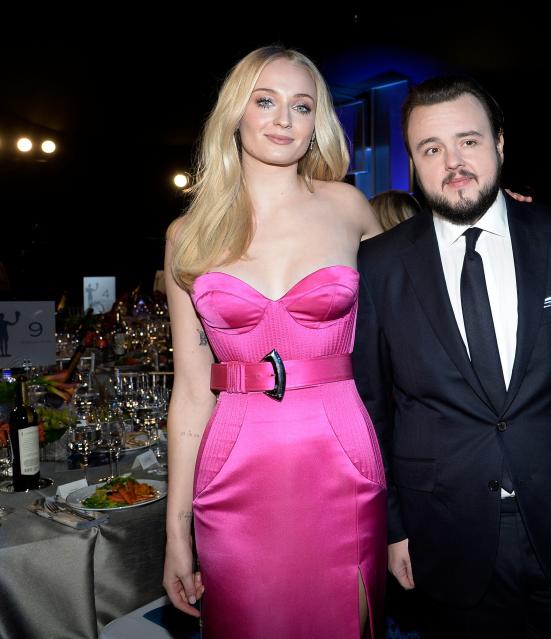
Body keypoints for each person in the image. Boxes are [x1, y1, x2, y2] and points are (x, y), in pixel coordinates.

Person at [353, 76, 551, 638]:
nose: (453, 162)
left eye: (468, 141)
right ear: (414, 165)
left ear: (499, 143)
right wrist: (393, 527)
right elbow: (370, 409)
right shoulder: (378, 265)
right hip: (444, 533)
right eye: (431, 149)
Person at [162, 46, 385, 638]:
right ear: (236, 113)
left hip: (341, 457)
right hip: (234, 464)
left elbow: (425, 295)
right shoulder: (188, 234)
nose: (284, 119)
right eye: (266, 101)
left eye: (302, 105)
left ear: (318, 125)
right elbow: (188, 394)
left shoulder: (349, 208)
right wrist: (174, 534)